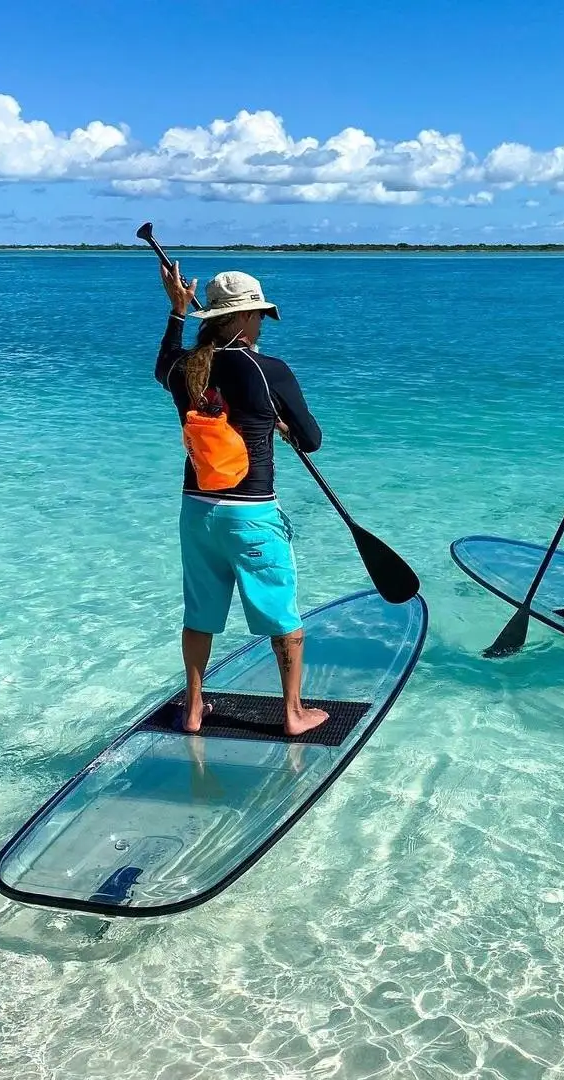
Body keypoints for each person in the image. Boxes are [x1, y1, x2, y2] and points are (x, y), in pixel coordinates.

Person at [155, 263, 329, 736]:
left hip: (196, 511)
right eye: (257, 317)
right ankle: (293, 714)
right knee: (282, 614)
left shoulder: (184, 368)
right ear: (244, 319)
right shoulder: (267, 368)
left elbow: (163, 361)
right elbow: (311, 438)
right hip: (251, 513)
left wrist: (175, 312)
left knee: (200, 614)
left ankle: (193, 708)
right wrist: (284, 425)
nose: (260, 326)